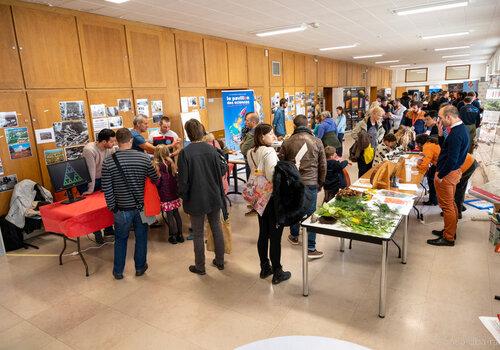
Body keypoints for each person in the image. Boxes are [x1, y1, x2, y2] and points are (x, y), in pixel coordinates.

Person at [101, 128, 159, 279]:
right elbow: (155, 179)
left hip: (120, 209)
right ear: (131, 140)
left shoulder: (108, 162)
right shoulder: (144, 158)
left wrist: (112, 206)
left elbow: (107, 188)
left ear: (117, 142)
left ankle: (118, 271)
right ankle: (140, 267)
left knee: (120, 240)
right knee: (141, 237)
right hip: (141, 207)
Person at [178, 119, 228, 275]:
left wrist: (183, 197)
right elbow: (222, 170)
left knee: (198, 233)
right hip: (214, 195)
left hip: (195, 198)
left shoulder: (185, 153)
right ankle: (220, 261)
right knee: (216, 228)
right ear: (201, 130)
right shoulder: (212, 149)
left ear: (187, 133)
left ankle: (200, 266)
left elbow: (183, 181)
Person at [247, 123, 291, 284]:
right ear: (261, 136)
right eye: (270, 134)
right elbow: (273, 177)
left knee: (263, 233)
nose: (273, 136)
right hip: (272, 198)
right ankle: (278, 271)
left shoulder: (250, 151)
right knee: (275, 236)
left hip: (259, 197)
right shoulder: (269, 151)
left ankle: (265, 267)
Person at [280, 114, 326, 259]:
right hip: (311, 182)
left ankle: (294, 236)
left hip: (293, 183)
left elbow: (281, 164)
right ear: (307, 125)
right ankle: (311, 248)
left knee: (295, 208)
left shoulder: (287, 142)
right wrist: (320, 182)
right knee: (311, 214)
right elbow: (323, 164)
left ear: (294, 126)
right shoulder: (317, 141)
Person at [428, 105, 469, 246]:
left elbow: (452, 159)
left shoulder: (457, 134)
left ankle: (448, 237)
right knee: (450, 203)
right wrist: (440, 135)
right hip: (451, 171)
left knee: (447, 206)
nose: (439, 120)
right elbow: (447, 148)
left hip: (448, 173)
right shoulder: (459, 129)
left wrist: (441, 175)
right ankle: (449, 230)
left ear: (448, 117)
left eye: (440, 118)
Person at [78, 129, 116, 244]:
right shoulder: (89, 150)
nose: (114, 144)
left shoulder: (111, 149)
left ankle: (108, 230)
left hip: (102, 178)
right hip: (89, 180)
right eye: (112, 141)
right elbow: (91, 171)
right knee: (93, 210)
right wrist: (90, 190)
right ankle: (97, 233)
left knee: (106, 206)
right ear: (104, 141)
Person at [153, 144, 183, 245]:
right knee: (176, 214)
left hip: (164, 195)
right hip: (174, 193)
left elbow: (157, 182)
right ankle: (180, 235)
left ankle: (173, 236)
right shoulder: (171, 162)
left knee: (169, 215)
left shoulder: (157, 165)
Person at [352, 105, 385, 177]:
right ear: (374, 114)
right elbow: (353, 133)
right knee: (362, 171)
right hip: (362, 151)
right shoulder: (362, 123)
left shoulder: (379, 123)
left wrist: (378, 139)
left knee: (371, 170)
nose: (380, 118)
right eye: (379, 115)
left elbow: (383, 132)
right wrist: (361, 141)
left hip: (373, 150)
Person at [416, 134, 440, 206]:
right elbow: (430, 156)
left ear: (420, 143)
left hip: (440, 165)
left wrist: (417, 165)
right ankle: (433, 198)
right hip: (438, 163)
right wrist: (423, 155)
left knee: (431, 180)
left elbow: (424, 165)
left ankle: (433, 200)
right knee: (430, 175)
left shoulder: (427, 146)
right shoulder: (430, 144)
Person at [454, 153, 478, 219]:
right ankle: (460, 207)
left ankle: (457, 212)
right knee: (461, 186)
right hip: (471, 162)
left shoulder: (428, 147)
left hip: (466, 165)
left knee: (458, 188)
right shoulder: (437, 146)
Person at [240, 112, 260, 183]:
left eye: (247, 120)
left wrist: (242, 143)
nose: (245, 122)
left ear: (254, 122)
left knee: (252, 183)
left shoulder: (252, 134)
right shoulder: (260, 130)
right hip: (256, 163)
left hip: (252, 163)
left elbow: (243, 150)